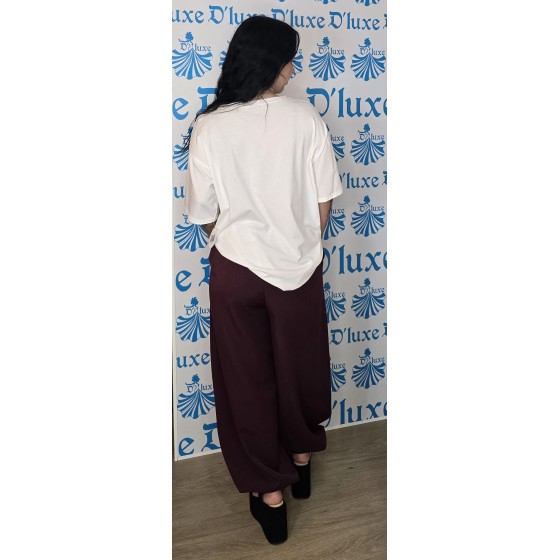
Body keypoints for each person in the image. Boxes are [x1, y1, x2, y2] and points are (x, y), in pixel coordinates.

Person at [183, 15, 343, 545]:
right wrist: (297, 243)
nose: (292, 70)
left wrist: (239, 241)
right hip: (299, 266)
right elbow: (323, 204)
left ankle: (271, 498)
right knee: (301, 368)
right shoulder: (306, 118)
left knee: (246, 380)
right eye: (288, 60)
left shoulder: (209, 126)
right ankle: (301, 460)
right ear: (268, 62)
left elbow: (204, 213)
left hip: (236, 270)